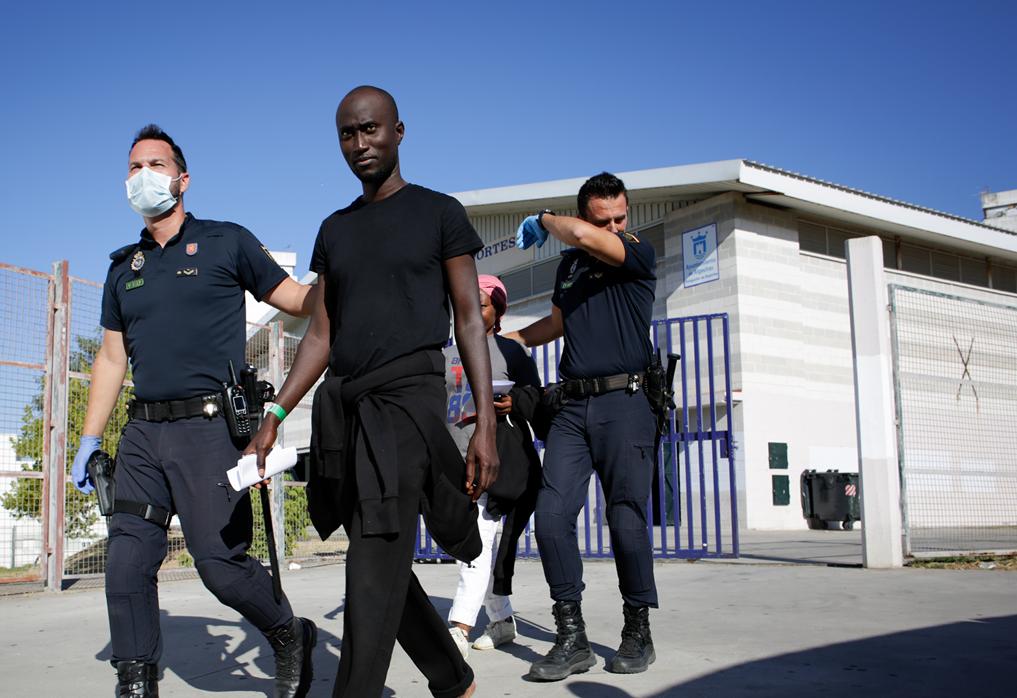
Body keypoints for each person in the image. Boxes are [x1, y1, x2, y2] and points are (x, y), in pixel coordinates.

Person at [244, 85, 498, 698]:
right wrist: (275, 411)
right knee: (376, 551)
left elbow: (469, 319)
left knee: (371, 559)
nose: (360, 143)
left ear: (398, 132)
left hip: (408, 402)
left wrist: (485, 422)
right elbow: (321, 333)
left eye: (371, 129)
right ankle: (453, 677)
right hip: (349, 408)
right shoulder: (335, 229)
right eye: (348, 133)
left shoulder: (440, 213)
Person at [69, 125, 319, 697]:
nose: (143, 176)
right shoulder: (123, 269)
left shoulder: (226, 242)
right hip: (142, 435)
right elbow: (111, 358)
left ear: (182, 179)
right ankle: (135, 680)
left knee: (218, 564)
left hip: (208, 429)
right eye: (134, 167)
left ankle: (288, 633)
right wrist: (90, 439)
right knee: (126, 562)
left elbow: (297, 299)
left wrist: (346, 275)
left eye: (155, 165)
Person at [507, 172, 659, 680]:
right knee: (550, 516)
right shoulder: (570, 265)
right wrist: (510, 341)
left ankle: (637, 631)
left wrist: (545, 219)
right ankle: (571, 637)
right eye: (603, 220)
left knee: (625, 519)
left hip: (626, 401)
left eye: (620, 217)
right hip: (573, 406)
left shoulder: (635, 250)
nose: (614, 226)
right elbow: (557, 322)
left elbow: (579, 234)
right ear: (586, 214)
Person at [443, 275, 544, 659]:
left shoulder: (510, 352)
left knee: (478, 541)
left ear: (497, 312)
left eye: (482, 303)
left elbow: (537, 397)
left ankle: (459, 626)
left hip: (494, 461)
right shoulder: (446, 355)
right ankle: (501, 620)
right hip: (454, 460)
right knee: (477, 544)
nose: (472, 308)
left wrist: (515, 401)